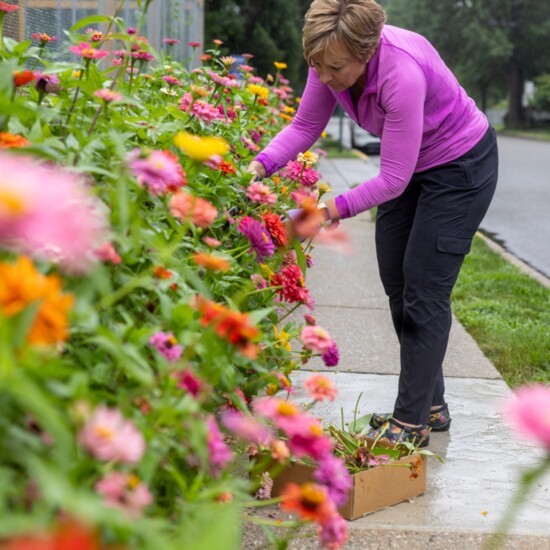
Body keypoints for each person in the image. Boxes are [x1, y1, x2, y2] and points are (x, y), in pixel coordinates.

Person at [247, 0, 498, 447]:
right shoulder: (329, 53)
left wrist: (322, 213)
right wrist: (259, 166)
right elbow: (305, 125)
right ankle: (431, 406)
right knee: (397, 282)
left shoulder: (400, 73)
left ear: (367, 51)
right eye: (316, 65)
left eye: (335, 68)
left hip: (460, 167)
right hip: (413, 166)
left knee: (424, 289)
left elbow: (392, 179)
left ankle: (409, 424)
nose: (324, 76)